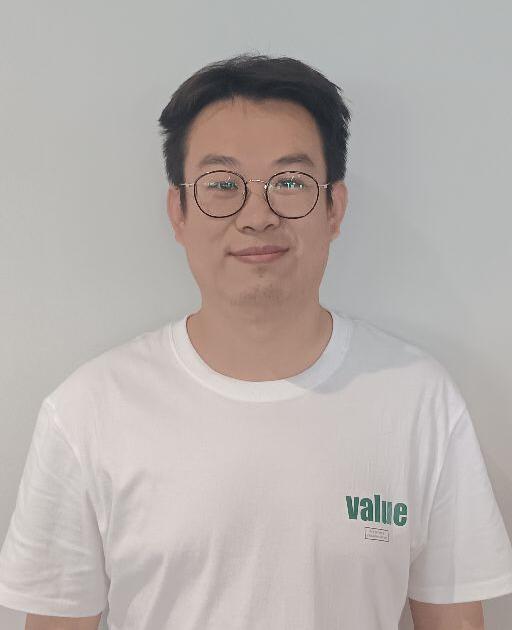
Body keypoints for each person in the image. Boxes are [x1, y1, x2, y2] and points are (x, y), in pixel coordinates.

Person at [0, 53, 511, 630]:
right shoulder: (87, 412)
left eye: (289, 182)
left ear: (334, 208)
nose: (257, 215)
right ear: (178, 212)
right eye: (222, 185)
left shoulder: (419, 401)